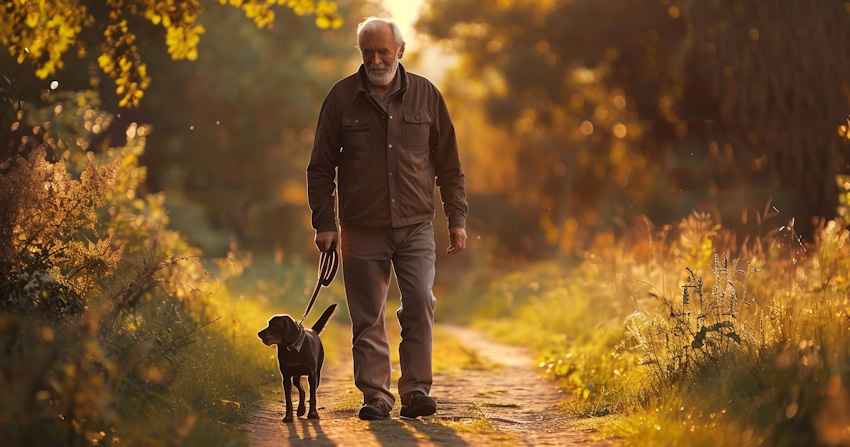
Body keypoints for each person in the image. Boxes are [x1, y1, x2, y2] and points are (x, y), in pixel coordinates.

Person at [306, 17, 468, 420]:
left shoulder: (427, 95)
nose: (376, 59)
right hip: (360, 229)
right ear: (360, 53)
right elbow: (320, 167)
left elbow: (449, 165)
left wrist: (457, 219)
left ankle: (416, 392)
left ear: (400, 51)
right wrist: (325, 223)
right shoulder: (341, 98)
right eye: (368, 53)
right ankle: (375, 396)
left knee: (419, 302)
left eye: (383, 51)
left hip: (415, 225)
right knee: (367, 316)